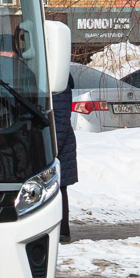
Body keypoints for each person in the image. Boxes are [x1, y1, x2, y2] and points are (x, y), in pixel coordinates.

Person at [51, 68, 79, 243]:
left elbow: (61, 117)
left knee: (59, 188)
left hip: (59, 143)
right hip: (58, 141)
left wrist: (53, 147)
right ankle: (60, 231)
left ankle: (62, 232)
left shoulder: (58, 82)